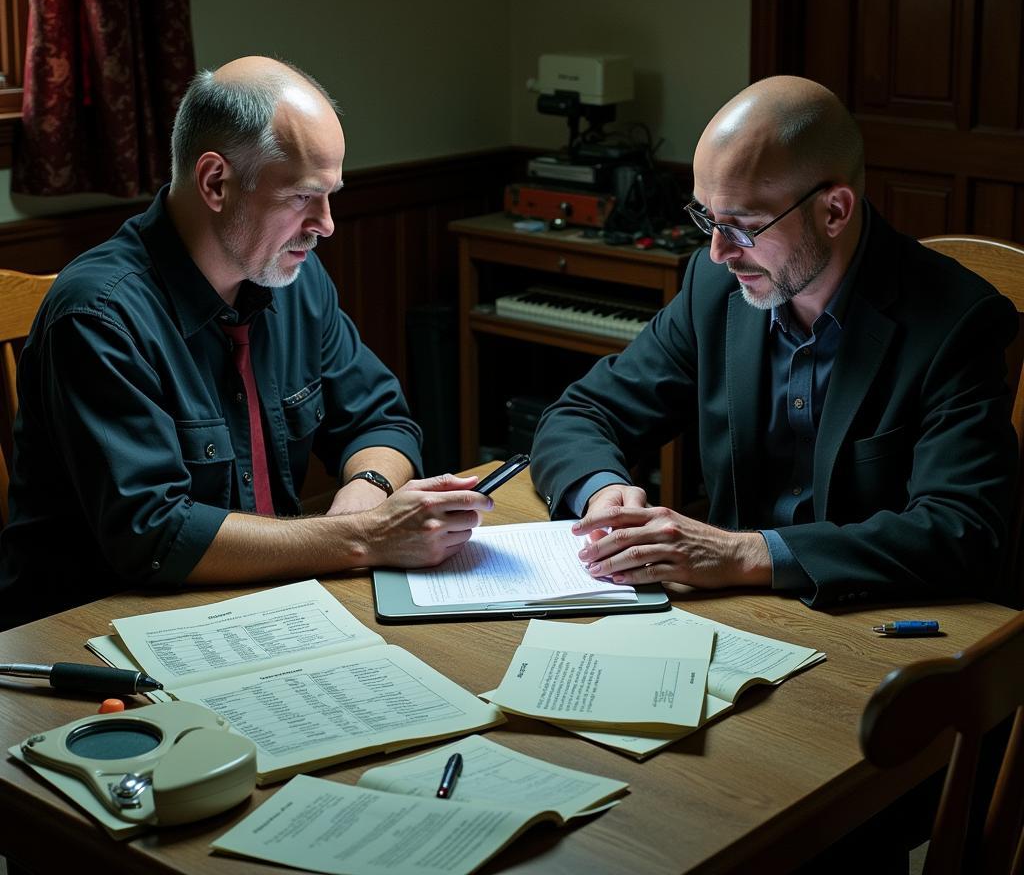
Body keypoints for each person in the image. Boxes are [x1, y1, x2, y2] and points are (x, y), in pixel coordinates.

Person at [0, 57, 491, 627]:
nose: (327, 224)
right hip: (91, 631)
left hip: (259, 606)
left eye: (332, 194)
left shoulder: (294, 280)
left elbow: (381, 421)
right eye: (303, 197)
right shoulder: (99, 316)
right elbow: (156, 535)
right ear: (216, 182)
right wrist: (363, 537)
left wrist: (368, 490)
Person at [531, 75, 1018, 608]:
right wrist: (603, 493)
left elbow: (959, 532)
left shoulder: (957, 322)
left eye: (742, 227)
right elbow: (580, 414)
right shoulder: (713, 289)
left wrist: (743, 554)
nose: (718, 252)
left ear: (834, 211)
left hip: (874, 623)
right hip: (732, 616)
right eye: (706, 218)